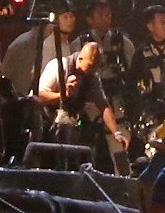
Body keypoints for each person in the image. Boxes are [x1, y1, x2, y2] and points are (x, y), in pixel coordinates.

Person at [37, 39, 123, 171]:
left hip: (70, 124)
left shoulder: (92, 77)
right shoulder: (59, 67)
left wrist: (116, 133)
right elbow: (40, 96)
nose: (92, 71)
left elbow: (103, 105)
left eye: (96, 67)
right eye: (90, 66)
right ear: (81, 58)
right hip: (45, 120)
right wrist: (64, 94)